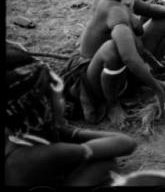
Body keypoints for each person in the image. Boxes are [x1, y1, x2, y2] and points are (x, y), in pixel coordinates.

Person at [5, 43, 137, 186]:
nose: (63, 101)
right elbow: (125, 143)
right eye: (60, 97)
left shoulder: (20, 134)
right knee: (101, 166)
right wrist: (69, 132)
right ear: (45, 104)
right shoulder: (44, 154)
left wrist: (63, 131)